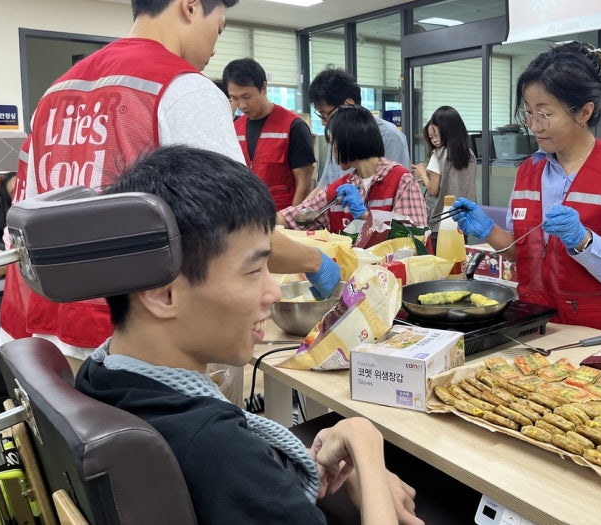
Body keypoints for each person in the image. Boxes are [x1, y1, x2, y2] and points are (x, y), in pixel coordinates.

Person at [0, 0, 339, 375]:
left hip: (33, 329)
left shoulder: (54, 93)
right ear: (191, 6)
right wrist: (314, 261)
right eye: (218, 28)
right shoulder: (181, 88)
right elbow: (238, 232)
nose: (216, 46)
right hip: (129, 342)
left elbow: (24, 214)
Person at [76, 145, 422, 525]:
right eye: (254, 270)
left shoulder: (101, 373)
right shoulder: (216, 449)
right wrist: (365, 446)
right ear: (163, 294)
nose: (273, 292)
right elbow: (231, 464)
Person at [451, 41, 601, 333]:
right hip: (540, 327)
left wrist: (583, 240)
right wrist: (489, 230)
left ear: (584, 112)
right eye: (528, 112)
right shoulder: (529, 171)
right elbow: (521, 253)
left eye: (545, 113)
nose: (534, 126)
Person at [279, 106, 426, 232]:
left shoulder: (401, 180)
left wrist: (365, 216)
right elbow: (293, 216)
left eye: (333, 141)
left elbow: (415, 233)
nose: (332, 151)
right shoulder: (340, 190)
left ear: (348, 140)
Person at [223, 58, 315, 209]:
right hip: (247, 216)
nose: (242, 105)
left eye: (247, 97)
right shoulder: (234, 128)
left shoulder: (293, 127)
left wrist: (290, 221)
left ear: (264, 87)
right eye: (234, 98)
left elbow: (303, 185)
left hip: (281, 215)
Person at [308, 69, 410, 188]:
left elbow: (396, 189)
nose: (323, 122)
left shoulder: (390, 137)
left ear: (348, 105)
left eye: (325, 114)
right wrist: (300, 207)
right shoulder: (337, 136)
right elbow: (325, 186)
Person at [412, 106, 477, 235]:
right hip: (463, 220)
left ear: (446, 130)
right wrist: (427, 181)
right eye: (431, 138)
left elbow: (434, 190)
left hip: (440, 221)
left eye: (436, 134)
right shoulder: (469, 154)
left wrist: (423, 173)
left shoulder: (438, 154)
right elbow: (455, 183)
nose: (434, 140)